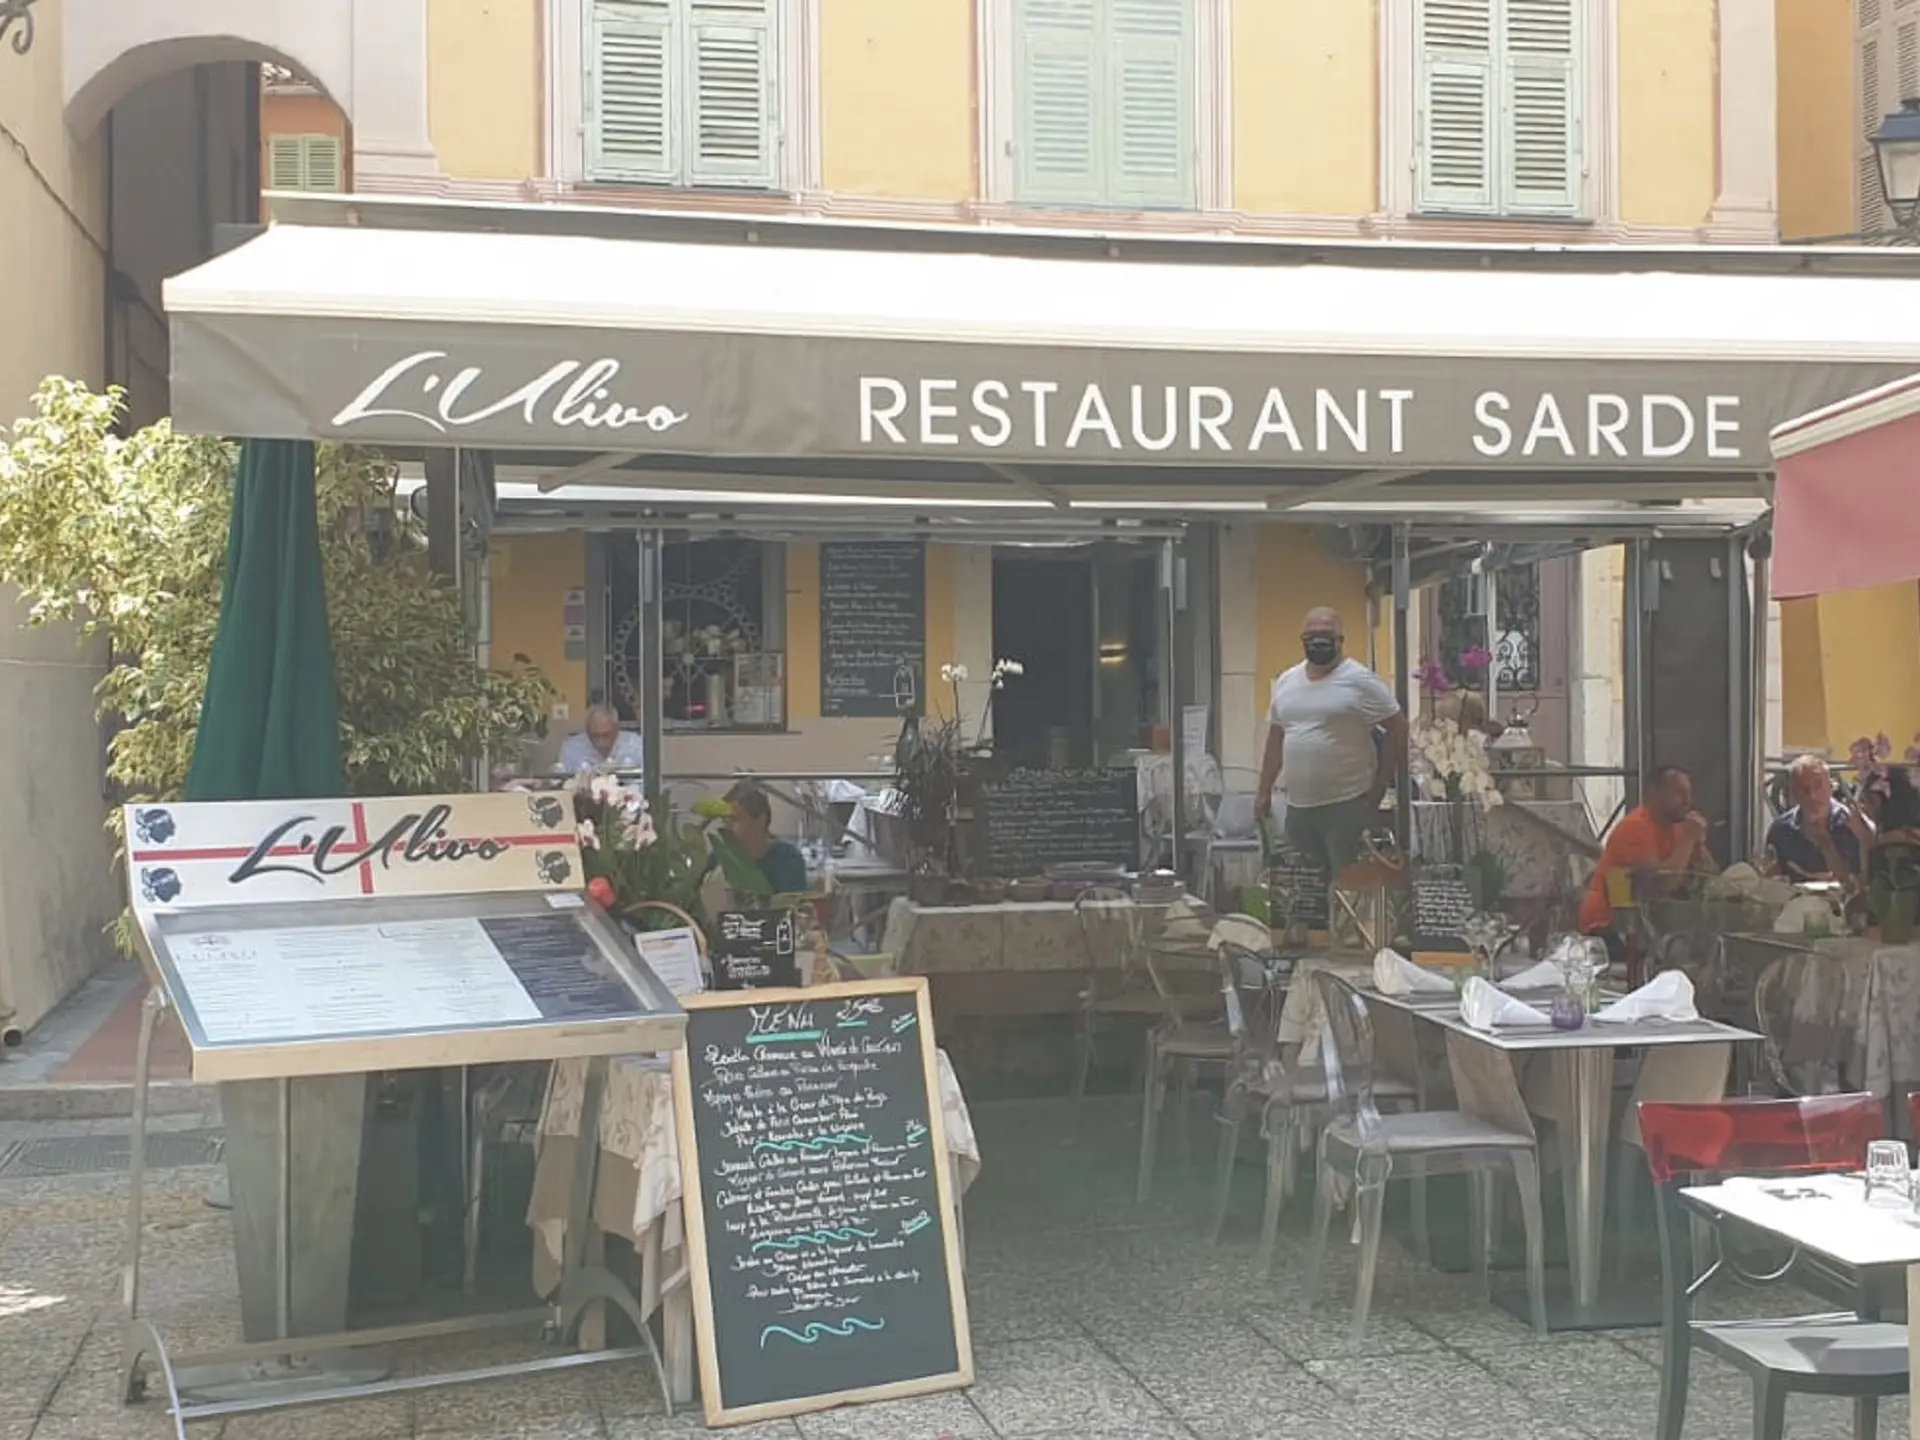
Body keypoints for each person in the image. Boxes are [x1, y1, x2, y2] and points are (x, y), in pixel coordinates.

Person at [1254, 606, 1408, 875]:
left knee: (1350, 887)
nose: (1318, 641)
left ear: (1340, 640)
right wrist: (1264, 790)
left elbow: (1398, 730)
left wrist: (1380, 785)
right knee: (1304, 890)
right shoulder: (1287, 681)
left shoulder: (1360, 681)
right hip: (1299, 808)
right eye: (1311, 635)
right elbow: (1275, 738)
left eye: (1326, 634)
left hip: (1346, 805)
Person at [1578, 765, 1714, 951]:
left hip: (1651, 923)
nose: (1687, 801)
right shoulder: (1635, 827)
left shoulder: (1678, 828)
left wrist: (1698, 843)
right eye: (1678, 793)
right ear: (1654, 794)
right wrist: (1689, 839)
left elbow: (1710, 875)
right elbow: (1663, 883)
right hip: (1610, 925)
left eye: (1689, 794)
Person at [1763, 753, 1871, 886]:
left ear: (1831, 787)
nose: (1812, 795)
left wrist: (1827, 846)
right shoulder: (1781, 830)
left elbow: (1858, 884)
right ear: (1793, 795)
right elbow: (1772, 875)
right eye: (1803, 789)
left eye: (1818, 786)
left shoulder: (1852, 825)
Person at [724, 782, 811, 895]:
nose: (727, 827)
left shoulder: (788, 859)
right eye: (725, 820)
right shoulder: (718, 858)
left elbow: (792, 907)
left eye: (734, 820)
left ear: (761, 819)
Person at [557, 704, 645, 774]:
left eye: (606, 735)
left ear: (616, 729)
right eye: (594, 736)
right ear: (587, 730)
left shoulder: (636, 744)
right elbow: (561, 783)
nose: (600, 742)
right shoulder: (571, 748)